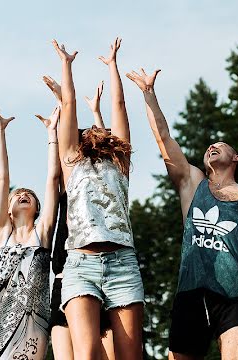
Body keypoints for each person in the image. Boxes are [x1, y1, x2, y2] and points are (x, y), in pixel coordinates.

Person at [126, 67, 238, 360]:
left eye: (220, 145)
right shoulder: (192, 182)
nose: (212, 146)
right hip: (191, 292)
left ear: (236, 157)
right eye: (210, 146)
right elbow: (164, 139)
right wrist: (148, 93)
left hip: (235, 295)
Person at [53, 38, 143, 360]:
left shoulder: (120, 165)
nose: (96, 129)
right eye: (88, 129)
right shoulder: (71, 161)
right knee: (87, 354)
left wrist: (113, 66)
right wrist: (66, 65)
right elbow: (69, 105)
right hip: (80, 265)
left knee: (131, 356)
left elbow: (119, 108)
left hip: (123, 264)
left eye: (101, 130)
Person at [0, 101, 63, 360]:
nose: (23, 194)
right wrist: (0, 131)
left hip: (32, 327)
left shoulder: (43, 232)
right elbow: (2, 178)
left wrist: (52, 133)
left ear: (37, 208)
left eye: (29, 195)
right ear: (8, 210)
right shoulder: (1, 234)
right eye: (17, 195)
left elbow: (53, 178)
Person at [43, 78, 116, 360]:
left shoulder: (109, 182)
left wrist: (97, 113)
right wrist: (63, 104)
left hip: (107, 270)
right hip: (68, 274)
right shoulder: (70, 178)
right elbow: (67, 140)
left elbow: (107, 144)